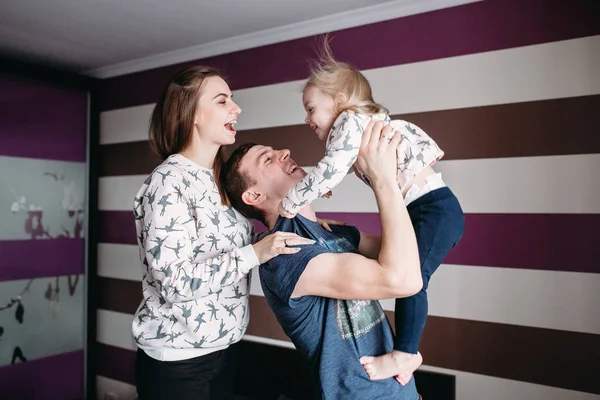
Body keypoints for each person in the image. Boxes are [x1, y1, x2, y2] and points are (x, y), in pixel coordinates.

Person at [277, 42, 465, 382]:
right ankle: (405, 353)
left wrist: (290, 201)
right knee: (411, 275)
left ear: (338, 101)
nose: (307, 119)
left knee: (412, 282)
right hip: (429, 209)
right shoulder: (355, 126)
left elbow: (331, 169)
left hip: (433, 209)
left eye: (311, 109)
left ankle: (405, 354)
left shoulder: (349, 121)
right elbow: (340, 167)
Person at [131, 65, 315, 400]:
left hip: (224, 350)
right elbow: (173, 282)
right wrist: (255, 253)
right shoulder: (168, 183)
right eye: (222, 100)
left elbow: (231, 247)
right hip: (177, 361)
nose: (236, 108)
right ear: (193, 115)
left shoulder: (220, 179)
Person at [220, 121, 423, 399]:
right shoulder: (285, 255)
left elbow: (415, 255)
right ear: (254, 195)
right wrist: (382, 180)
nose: (284, 152)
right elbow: (404, 279)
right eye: (267, 159)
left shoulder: (334, 232)